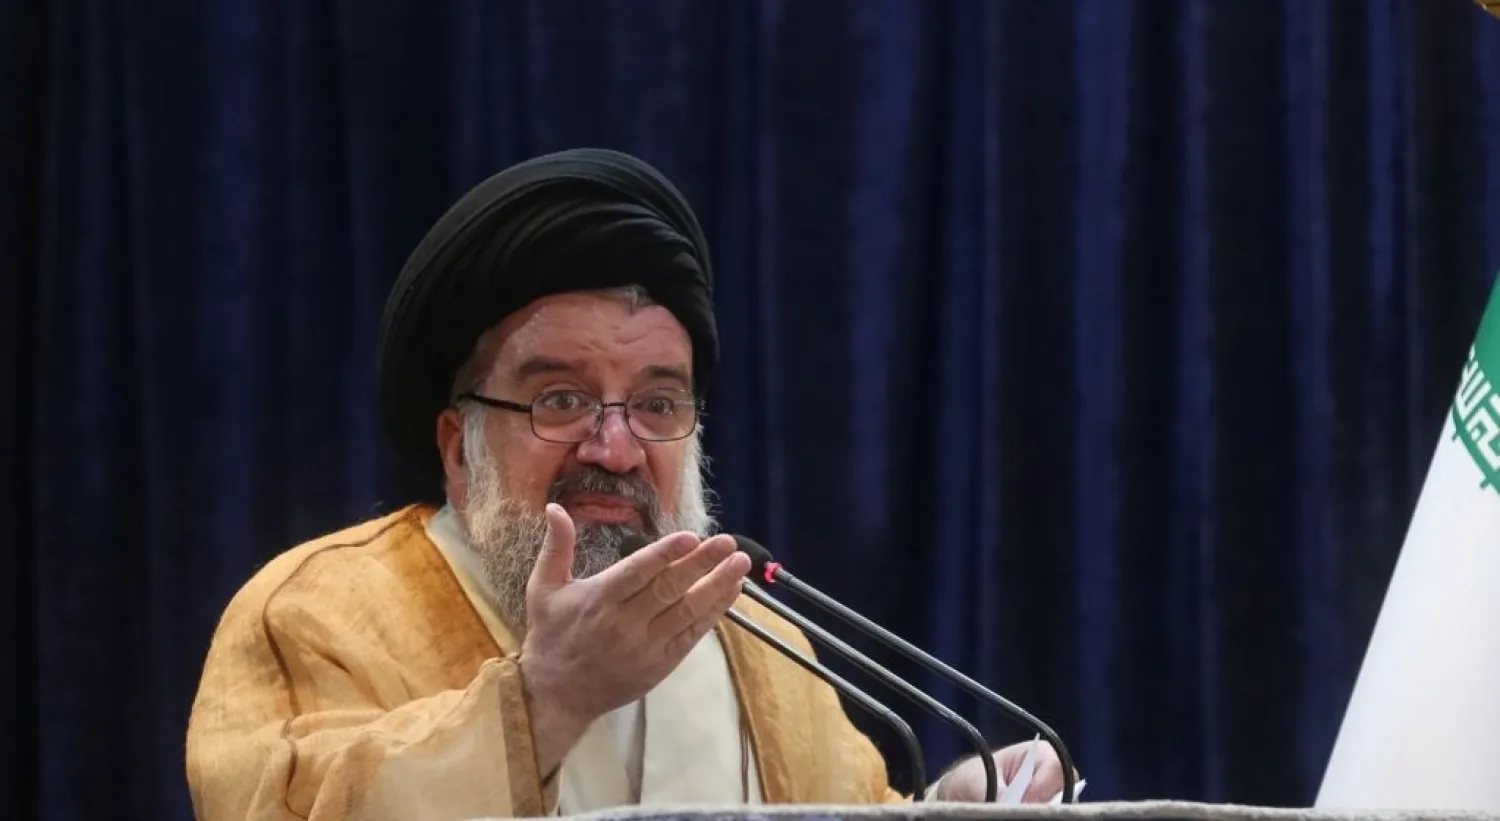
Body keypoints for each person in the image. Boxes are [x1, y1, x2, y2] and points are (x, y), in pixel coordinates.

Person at [184, 148, 1068, 820]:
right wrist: (545, 699)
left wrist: (949, 808)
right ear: (458, 446)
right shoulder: (318, 612)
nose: (614, 447)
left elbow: (851, 803)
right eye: (561, 399)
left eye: (656, 403)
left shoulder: (758, 638)